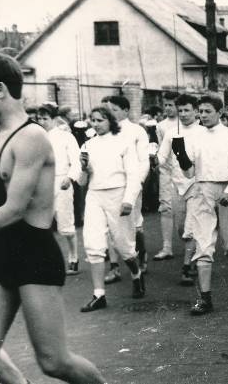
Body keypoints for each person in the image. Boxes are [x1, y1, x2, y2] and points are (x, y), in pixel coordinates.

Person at [0, 52, 105, 382]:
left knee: (54, 362)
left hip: (33, 255)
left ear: (0, 89)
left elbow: (15, 208)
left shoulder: (31, 137)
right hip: (1, 252)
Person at [177, 94, 228, 314]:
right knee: (203, 244)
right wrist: (181, 156)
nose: (203, 115)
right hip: (201, 190)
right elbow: (189, 171)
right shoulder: (194, 137)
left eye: (208, 111)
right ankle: (205, 298)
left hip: (226, 191)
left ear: (219, 112)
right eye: (201, 111)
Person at [78, 106, 144, 312]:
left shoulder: (123, 143)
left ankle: (136, 275)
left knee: (124, 246)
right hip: (95, 195)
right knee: (93, 244)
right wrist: (84, 169)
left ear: (110, 121)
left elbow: (133, 174)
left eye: (100, 120)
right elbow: (81, 182)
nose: (96, 124)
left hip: (119, 194)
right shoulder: (87, 145)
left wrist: (128, 200)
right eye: (93, 120)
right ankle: (99, 295)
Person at [156, 94, 200, 284]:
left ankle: (187, 265)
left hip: (197, 184)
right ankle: (194, 253)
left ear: (196, 111)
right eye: (180, 110)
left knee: (190, 226)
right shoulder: (171, 132)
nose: (183, 114)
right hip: (177, 184)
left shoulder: (203, 131)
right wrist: (153, 160)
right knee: (181, 227)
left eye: (187, 110)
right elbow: (162, 156)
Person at [105, 96, 151, 277]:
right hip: (110, 185)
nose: (111, 113)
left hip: (131, 185)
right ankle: (114, 267)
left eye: (114, 109)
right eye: (109, 110)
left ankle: (141, 257)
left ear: (125, 110)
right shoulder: (104, 130)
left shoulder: (136, 131)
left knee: (134, 224)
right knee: (109, 225)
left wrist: (137, 183)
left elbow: (143, 160)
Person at [36, 104, 82, 275]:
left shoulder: (66, 137)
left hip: (61, 182)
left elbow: (76, 161)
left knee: (65, 225)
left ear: (55, 119)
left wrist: (69, 178)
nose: (41, 122)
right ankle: (47, 262)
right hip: (41, 185)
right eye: (39, 118)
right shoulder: (36, 137)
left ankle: (74, 258)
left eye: (45, 118)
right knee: (41, 224)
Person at [154, 92, 181, 261]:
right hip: (166, 170)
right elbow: (160, 148)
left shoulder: (186, 123)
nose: (168, 108)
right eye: (166, 105)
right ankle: (167, 246)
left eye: (172, 105)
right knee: (166, 207)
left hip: (184, 170)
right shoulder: (161, 125)